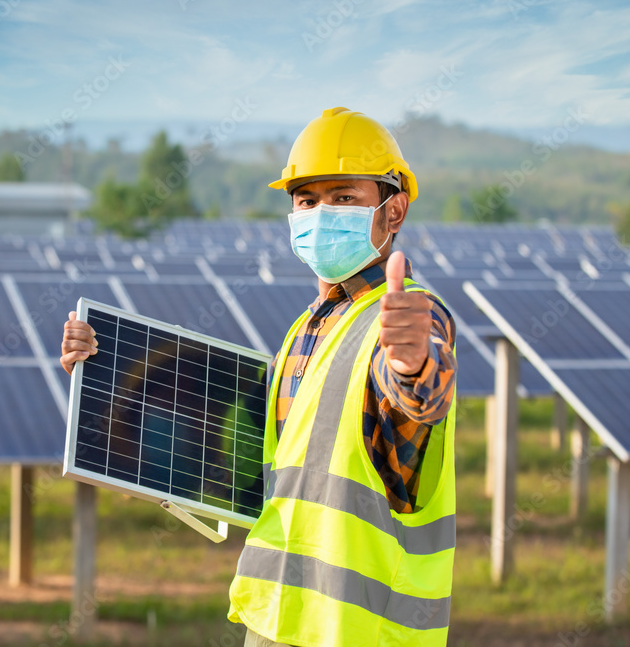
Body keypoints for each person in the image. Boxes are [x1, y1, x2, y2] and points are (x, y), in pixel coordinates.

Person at [59, 107, 457, 647]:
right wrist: (102, 365)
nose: (320, 213)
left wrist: (414, 366)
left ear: (395, 212)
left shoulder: (409, 315)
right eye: (306, 200)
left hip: (358, 631)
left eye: (343, 197)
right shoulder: (304, 331)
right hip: (275, 618)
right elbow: (245, 471)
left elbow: (415, 400)